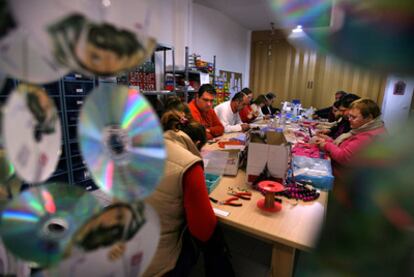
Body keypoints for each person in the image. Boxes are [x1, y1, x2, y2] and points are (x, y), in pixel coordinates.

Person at [144, 110, 234, 277]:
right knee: (213, 239)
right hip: (154, 262)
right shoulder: (188, 163)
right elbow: (203, 230)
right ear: (198, 143)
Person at [314, 98, 387, 176]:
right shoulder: (364, 129)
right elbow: (347, 148)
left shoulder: (368, 136)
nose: (349, 119)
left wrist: (326, 145)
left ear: (369, 117)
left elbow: (343, 157)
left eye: (354, 117)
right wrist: (329, 140)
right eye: (349, 116)